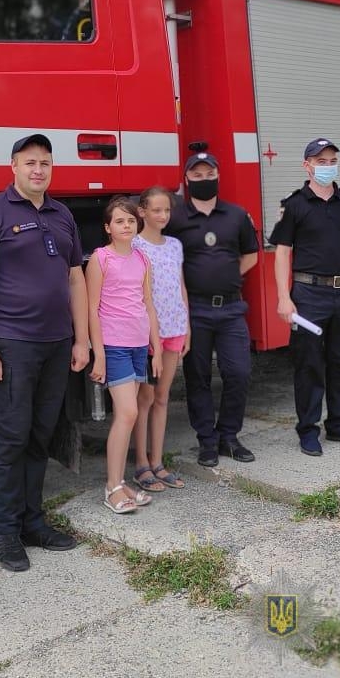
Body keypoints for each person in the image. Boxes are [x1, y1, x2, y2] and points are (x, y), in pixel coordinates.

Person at [0, 133, 90, 572]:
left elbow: (76, 279)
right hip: (14, 345)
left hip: (58, 345)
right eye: (30, 162)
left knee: (40, 436)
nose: (39, 170)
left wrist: (82, 339)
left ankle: (34, 523)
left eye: (46, 163)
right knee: (11, 439)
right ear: (13, 166)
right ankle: (6, 533)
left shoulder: (62, 214)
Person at [270, 137, 340, 456]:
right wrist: (283, 298)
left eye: (332, 161)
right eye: (320, 161)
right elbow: (282, 253)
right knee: (309, 363)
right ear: (307, 165)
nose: (327, 167)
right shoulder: (294, 205)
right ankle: (308, 429)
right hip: (308, 294)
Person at [165, 151, 260, 467]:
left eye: (209, 175)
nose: (204, 180)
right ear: (187, 180)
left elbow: (251, 255)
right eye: (197, 176)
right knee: (197, 377)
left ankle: (229, 436)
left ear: (217, 177)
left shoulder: (236, 215)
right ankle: (207, 441)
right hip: (195, 312)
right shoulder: (176, 219)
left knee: (239, 372)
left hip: (231, 309)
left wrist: (227, 276)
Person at [87, 197, 163, 514]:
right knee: (129, 413)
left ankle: (120, 482)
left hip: (137, 346)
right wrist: (99, 354)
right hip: (114, 345)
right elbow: (91, 308)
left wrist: (156, 349)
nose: (126, 225)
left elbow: (148, 304)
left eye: (130, 220)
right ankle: (112, 488)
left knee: (124, 416)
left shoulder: (142, 259)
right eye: (119, 221)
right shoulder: (100, 259)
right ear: (108, 228)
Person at [130, 187, 190, 493]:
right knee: (145, 398)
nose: (162, 216)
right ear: (141, 212)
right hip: (148, 332)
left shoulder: (175, 245)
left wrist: (187, 326)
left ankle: (158, 461)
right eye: (156, 210)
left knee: (163, 396)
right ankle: (141, 463)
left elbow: (180, 285)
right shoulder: (135, 246)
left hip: (175, 329)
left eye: (167, 210)